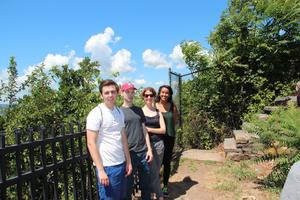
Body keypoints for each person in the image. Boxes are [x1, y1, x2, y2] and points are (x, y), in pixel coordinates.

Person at [86, 79, 132, 200]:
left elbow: (123, 138)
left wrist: (128, 161)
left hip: (121, 164)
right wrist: (101, 170)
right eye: (106, 93)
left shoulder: (119, 112)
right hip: (107, 167)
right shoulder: (96, 113)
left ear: (117, 93)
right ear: (101, 95)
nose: (110, 95)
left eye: (113, 92)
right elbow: (91, 143)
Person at [120, 82, 153, 200]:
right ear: (121, 93)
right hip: (129, 155)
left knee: (146, 186)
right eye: (127, 92)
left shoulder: (139, 110)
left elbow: (144, 130)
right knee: (128, 187)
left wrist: (149, 149)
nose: (130, 94)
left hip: (143, 153)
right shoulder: (119, 112)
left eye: (132, 91)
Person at [142, 87, 166, 200]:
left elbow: (163, 130)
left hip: (159, 144)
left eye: (151, 95)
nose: (149, 97)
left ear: (154, 96)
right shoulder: (141, 112)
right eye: (146, 95)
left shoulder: (158, 112)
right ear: (143, 97)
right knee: (152, 172)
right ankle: (160, 195)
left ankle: (153, 193)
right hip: (147, 146)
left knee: (156, 171)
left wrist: (149, 129)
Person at [155, 85, 178, 197]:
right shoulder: (154, 106)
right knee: (156, 162)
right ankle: (155, 185)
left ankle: (165, 186)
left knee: (167, 162)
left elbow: (173, 122)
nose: (164, 94)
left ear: (169, 94)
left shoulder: (172, 106)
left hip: (169, 137)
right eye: (162, 92)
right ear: (159, 93)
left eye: (167, 93)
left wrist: (168, 132)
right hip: (157, 138)